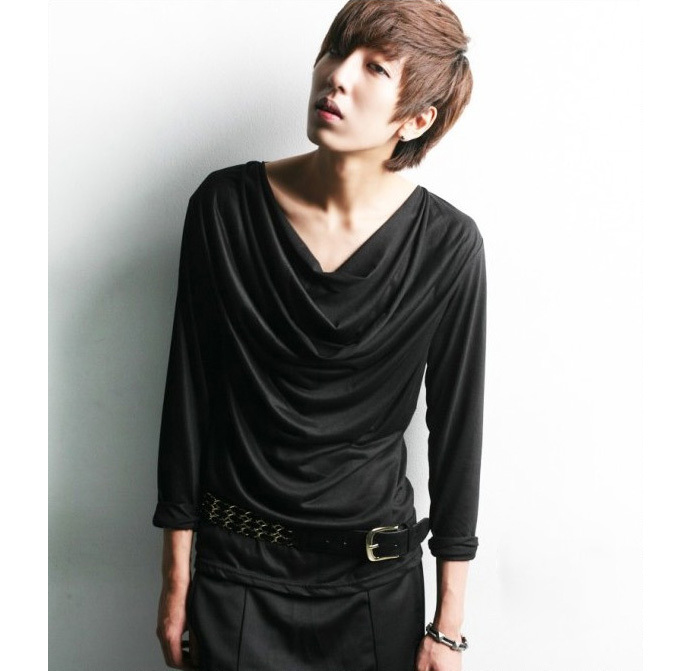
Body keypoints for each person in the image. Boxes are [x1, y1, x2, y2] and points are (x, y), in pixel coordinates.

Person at [153, 0, 486, 669]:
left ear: (416, 119)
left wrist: (447, 624)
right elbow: (190, 396)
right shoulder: (223, 208)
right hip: (238, 573)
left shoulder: (449, 246)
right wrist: (175, 578)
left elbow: (456, 431)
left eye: (374, 68)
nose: (337, 76)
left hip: (376, 588)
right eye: (335, 50)